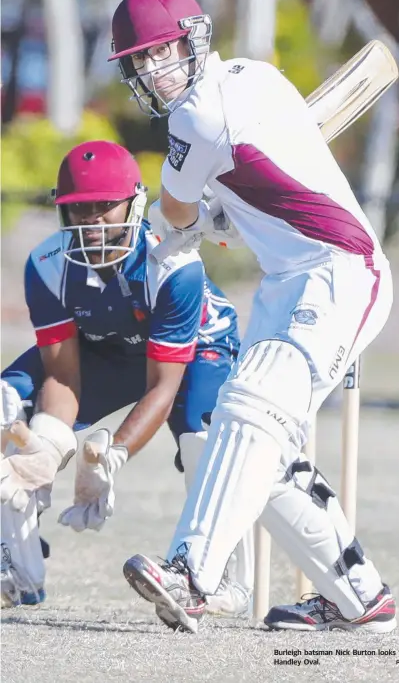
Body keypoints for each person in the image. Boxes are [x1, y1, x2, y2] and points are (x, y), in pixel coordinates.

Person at [109, 0, 397, 634]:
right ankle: (359, 598)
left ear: (193, 41)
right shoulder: (258, 79)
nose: (155, 70)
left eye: (163, 52)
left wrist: (185, 220)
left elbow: (179, 211)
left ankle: (190, 575)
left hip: (339, 271)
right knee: (248, 446)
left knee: (250, 410)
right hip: (286, 282)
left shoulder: (195, 119)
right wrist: (222, 212)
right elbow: (265, 185)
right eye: (141, 61)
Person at [0, 140, 252, 617]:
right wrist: (49, 446)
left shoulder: (173, 263)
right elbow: (62, 372)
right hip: (104, 344)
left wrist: (112, 456)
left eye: (103, 206)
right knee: (8, 412)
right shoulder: (47, 264)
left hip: (197, 346)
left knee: (202, 442)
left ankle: (219, 580)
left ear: (135, 204)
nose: (91, 220)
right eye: (79, 209)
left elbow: (163, 385)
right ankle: (17, 567)